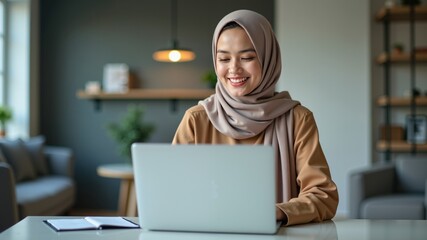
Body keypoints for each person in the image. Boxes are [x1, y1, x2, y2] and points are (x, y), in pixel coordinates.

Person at [172, 9, 338, 226]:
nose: (234, 69)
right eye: (224, 58)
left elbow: (324, 197)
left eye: (247, 57)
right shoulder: (196, 120)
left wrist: (275, 212)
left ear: (268, 58)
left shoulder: (298, 119)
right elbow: (172, 192)